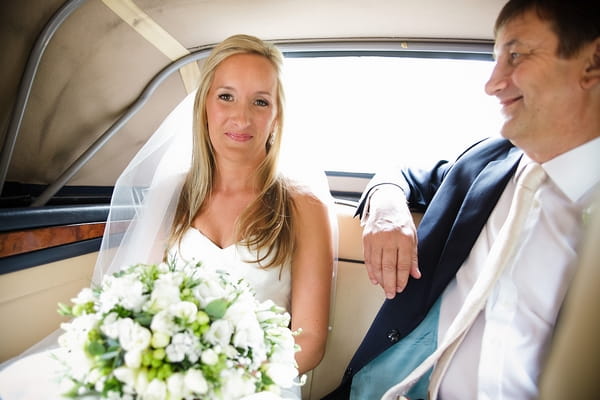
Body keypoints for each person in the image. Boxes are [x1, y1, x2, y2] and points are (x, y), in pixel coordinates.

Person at [0, 34, 335, 400]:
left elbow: (310, 342)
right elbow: (139, 303)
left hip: (259, 382)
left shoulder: (304, 205)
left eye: (260, 101)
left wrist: (219, 382)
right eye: (226, 96)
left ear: (276, 116)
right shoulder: (173, 194)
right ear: (204, 106)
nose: (242, 116)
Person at [323, 0, 600, 399]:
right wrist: (385, 206)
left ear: (592, 64)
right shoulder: (486, 159)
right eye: (495, 58)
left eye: (516, 55)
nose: (492, 84)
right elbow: (404, 175)